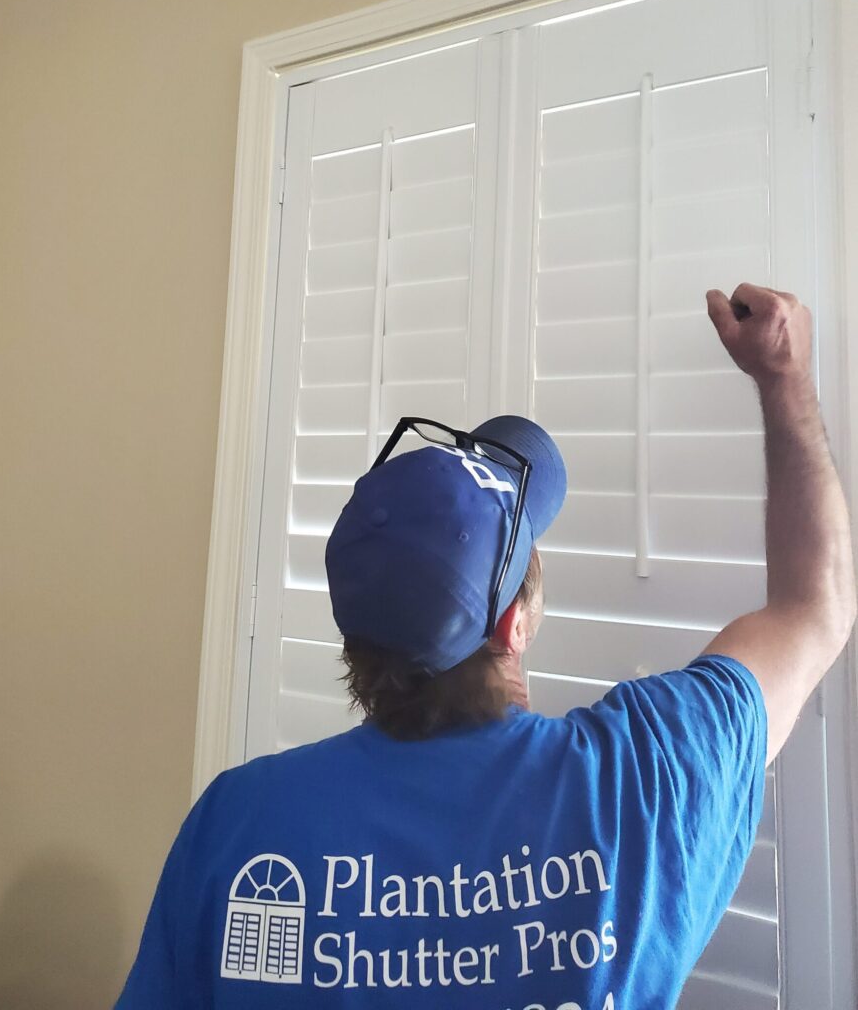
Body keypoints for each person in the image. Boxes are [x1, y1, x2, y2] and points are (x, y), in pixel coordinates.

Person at [115, 282, 856, 1009]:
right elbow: (813, 607)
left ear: (355, 632)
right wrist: (783, 376)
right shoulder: (642, 779)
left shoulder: (237, 826)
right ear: (513, 626)